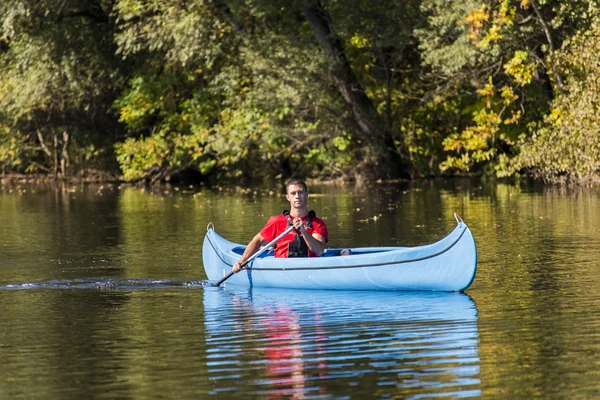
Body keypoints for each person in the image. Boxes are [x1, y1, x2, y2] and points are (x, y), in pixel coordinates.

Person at [232, 179, 328, 273]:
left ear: (307, 195)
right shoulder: (276, 221)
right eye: (293, 193)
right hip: (282, 270)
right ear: (287, 197)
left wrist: (303, 231)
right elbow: (257, 241)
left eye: (301, 192)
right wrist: (241, 262)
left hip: (310, 270)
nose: (297, 196)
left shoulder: (317, 223)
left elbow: (319, 251)